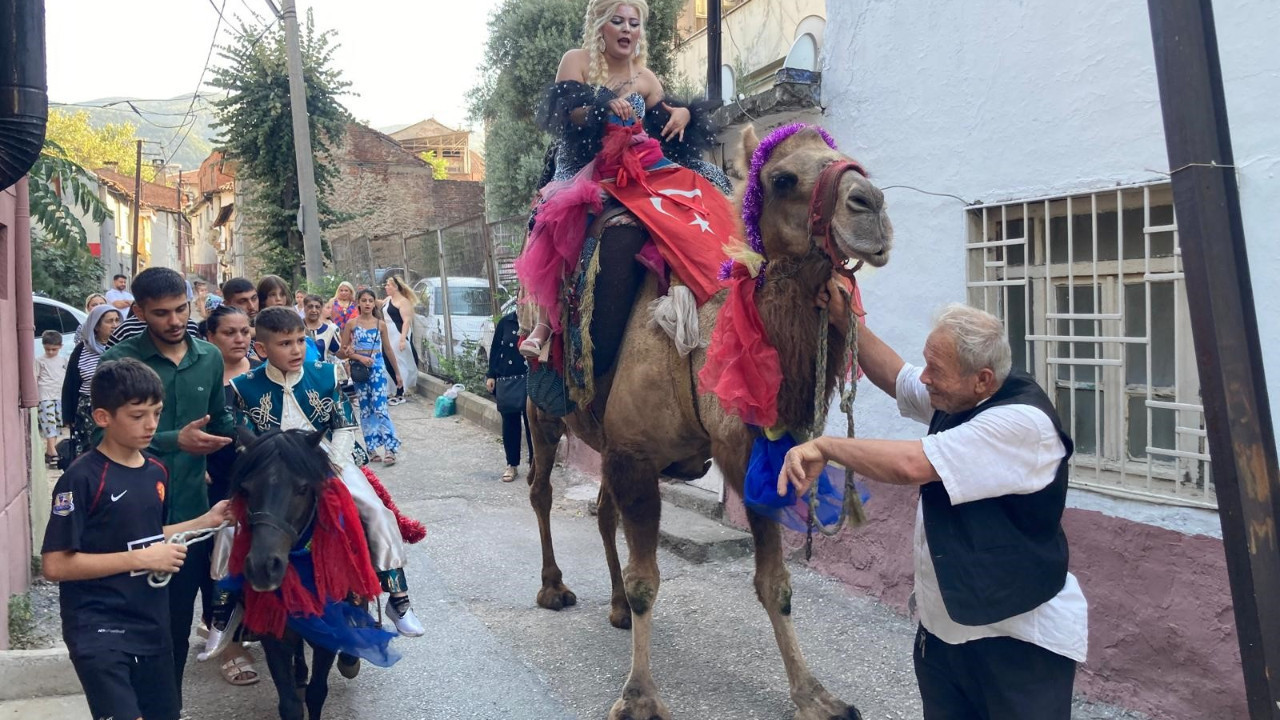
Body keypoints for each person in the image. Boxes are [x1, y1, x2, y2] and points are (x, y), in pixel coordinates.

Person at [778, 300, 1088, 720]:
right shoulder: (962, 397)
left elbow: (913, 465)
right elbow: (898, 377)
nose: (925, 378)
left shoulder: (1022, 423)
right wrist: (845, 321)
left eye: (935, 370)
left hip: (1017, 642)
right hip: (946, 635)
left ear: (982, 379)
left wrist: (827, 446)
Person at [515, 0, 730, 361]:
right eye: (618, 21)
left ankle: (712, 280)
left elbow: (663, 115)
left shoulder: (645, 76)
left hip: (635, 163)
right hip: (583, 162)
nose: (628, 29)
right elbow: (570, 115)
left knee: (711, 181)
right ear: (600, 26)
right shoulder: (577, 60)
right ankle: (545, 321)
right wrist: (602, 105)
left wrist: (682, 113)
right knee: (555, 215)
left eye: (634, 23)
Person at [41, 358, 232, 720]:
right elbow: (55, 563)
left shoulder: (156, 471)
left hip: (152, 627)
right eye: (137, 415)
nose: (151, 425)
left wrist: (206, 520)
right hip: (98, 630)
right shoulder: (81, 478)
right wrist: (143, 559)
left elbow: (145, 536)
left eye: (156, 413)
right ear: (103, 417)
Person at [226, 306, 424, 636]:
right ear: (261, 348)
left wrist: (334, 464)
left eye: (299, 340)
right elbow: (243, 438)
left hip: (329, 458)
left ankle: (398, 595)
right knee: (228, 522)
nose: (296, 350)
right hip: (271, 467)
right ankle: (226, 607)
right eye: (285, 343)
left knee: (376, 510)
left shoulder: (326, 374)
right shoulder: (244, 387)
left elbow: (344, 425)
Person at [98, 267, 236, 707]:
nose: (175, 321)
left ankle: (168, 709)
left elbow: (222, 421)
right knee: (134, 634)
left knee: (176, 629)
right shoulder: (117, 363)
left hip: (192, 519)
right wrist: (176, 440)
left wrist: (260, 443)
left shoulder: (209, 357)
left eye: (181, 309)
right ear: (139, 312)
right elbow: (101, 438)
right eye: (161, 313)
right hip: (132, 521)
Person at [196, 304, 261, 687]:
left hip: (262, 482)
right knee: (218, 557)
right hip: (215, 479)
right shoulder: (200, 379)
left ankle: (258, 623)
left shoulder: (263, 373)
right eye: (229, 332)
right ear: (210, 337)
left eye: (245, 331)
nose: (240, 339)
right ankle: (228, 645)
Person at [339, 289, 403, 466]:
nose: (367, 304)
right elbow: (343, 350)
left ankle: (390, 448)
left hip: (378, 368)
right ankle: (371, 447)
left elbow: (388, 349)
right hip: (360, 370)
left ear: (375, 303)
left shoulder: (380, 324)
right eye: (364, 300)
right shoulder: (351, 324)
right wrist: (357, 356)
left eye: (370, 300)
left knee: (380, 407)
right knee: (365, 409)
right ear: (358, 303)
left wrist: (397, 373)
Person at [62, 305, 122, 458]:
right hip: (86, 411)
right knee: (88, 453)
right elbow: (70, 383)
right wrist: (68, 416)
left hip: (116, 407)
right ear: (96, 326)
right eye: (109, 321)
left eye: (117, 320)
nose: (115, 325)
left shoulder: (122, 348)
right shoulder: (81, 350)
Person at [486, 312, 531, 482]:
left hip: (531, 379)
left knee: (532, 424)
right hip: (508, 378)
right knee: (510, 423)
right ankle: (512, 464)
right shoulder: (506, 322)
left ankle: (535, 464)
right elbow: (496, 349)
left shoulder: (535, 319)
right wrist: (491, 375)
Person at [382, 275, 419, 404]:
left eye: (388, 285)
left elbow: (406, 321)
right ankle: (391, 388)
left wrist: (402, 339)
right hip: (387, 333)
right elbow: (379, 304)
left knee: (400, 361)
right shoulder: (388, 300)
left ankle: (401, 390)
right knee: (389, 360)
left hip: (397, 333)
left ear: (396, 287)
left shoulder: (403, 302)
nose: (386, 287)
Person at [36, 330, 68, 467]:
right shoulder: (39, 361)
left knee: (57, 424)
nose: (50, 352)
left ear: (60, 346)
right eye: (47, 349)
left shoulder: (63, 361)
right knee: (49, 423)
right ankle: (53, 452)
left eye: (53, 349)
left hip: (59, 395)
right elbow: (35, 377)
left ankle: (50, 452)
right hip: (45, 395)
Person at [302, 294, 341, 361]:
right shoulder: (295, 327)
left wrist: (348, 352)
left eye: (317, 307)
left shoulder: (329, 330)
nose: (314, 310)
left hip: (321, 367)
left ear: (321, 308)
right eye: (310, 307)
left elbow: (337, 351)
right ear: (304, 307)